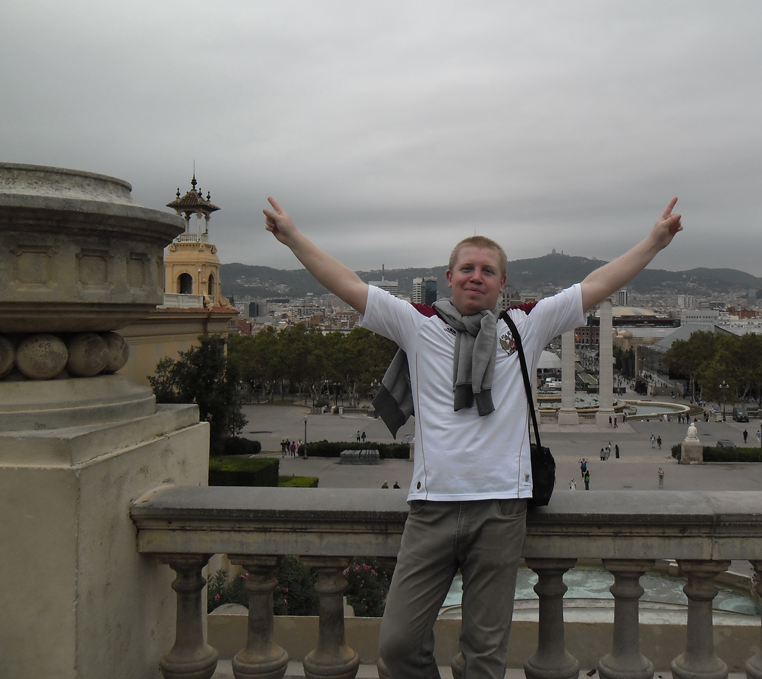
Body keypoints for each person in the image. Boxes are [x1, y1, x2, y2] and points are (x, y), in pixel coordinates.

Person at [264, 194, 682, 679]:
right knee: (397, 647)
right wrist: (293, 238)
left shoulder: (524, 325)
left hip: (501, 511)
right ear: (450, 277)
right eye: (467, 268)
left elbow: (596, 285)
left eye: (487, 270)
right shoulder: (418, 326)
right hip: (431, 509)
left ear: (502, 282)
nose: (475, 276)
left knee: (484, 658)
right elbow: (350, 285)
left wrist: (653, 242)